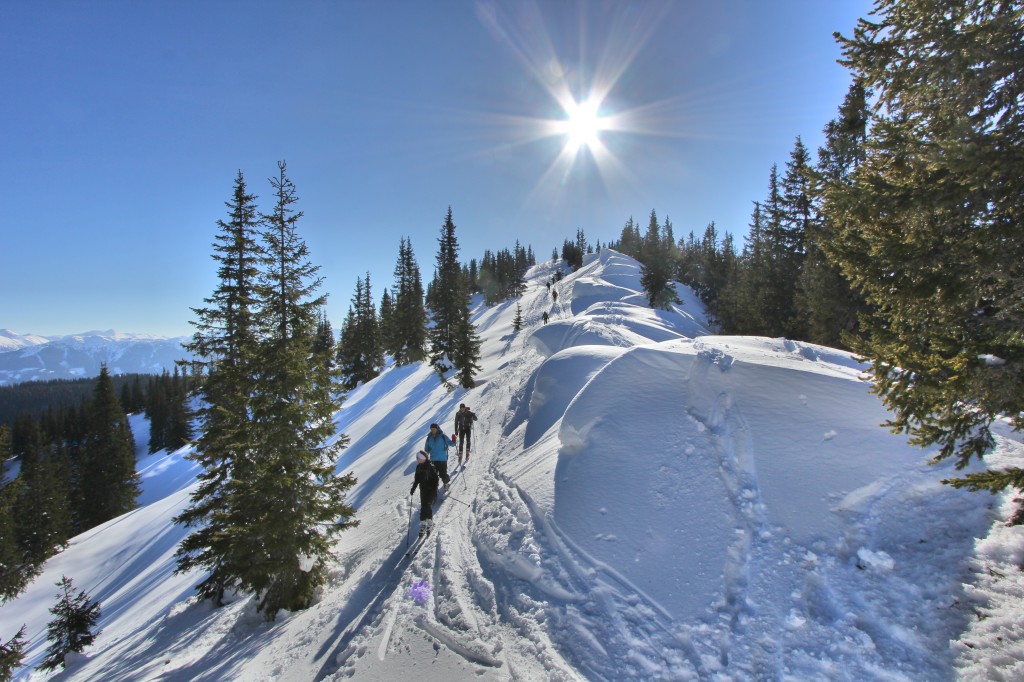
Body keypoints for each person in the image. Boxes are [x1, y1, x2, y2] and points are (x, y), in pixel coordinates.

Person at [410, 451, 439, 536]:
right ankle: (423, 524)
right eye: (417, 458)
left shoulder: (430, 466)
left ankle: (430, 523)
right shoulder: (418, 467)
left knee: (427, 506)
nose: (417, 459)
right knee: (423, 507)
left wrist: (433, 488)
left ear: (423, 458)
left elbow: (436, 479)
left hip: (431, 490)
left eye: (419, 458)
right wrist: (413, 489)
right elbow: (417, 480)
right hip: (423, 490)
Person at [423, 422, 454, 487]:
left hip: (442, 459)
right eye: (431, 429)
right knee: (433, 475)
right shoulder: (429, 438)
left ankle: (446, 484)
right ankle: (434, 489)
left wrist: (454, 440)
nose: (432, 430)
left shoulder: (442, 436)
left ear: (437, 429)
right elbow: (426, 449)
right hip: (433, 460)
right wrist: (425, 456)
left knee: (443, 475)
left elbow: (452, 444)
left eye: (434, 429)